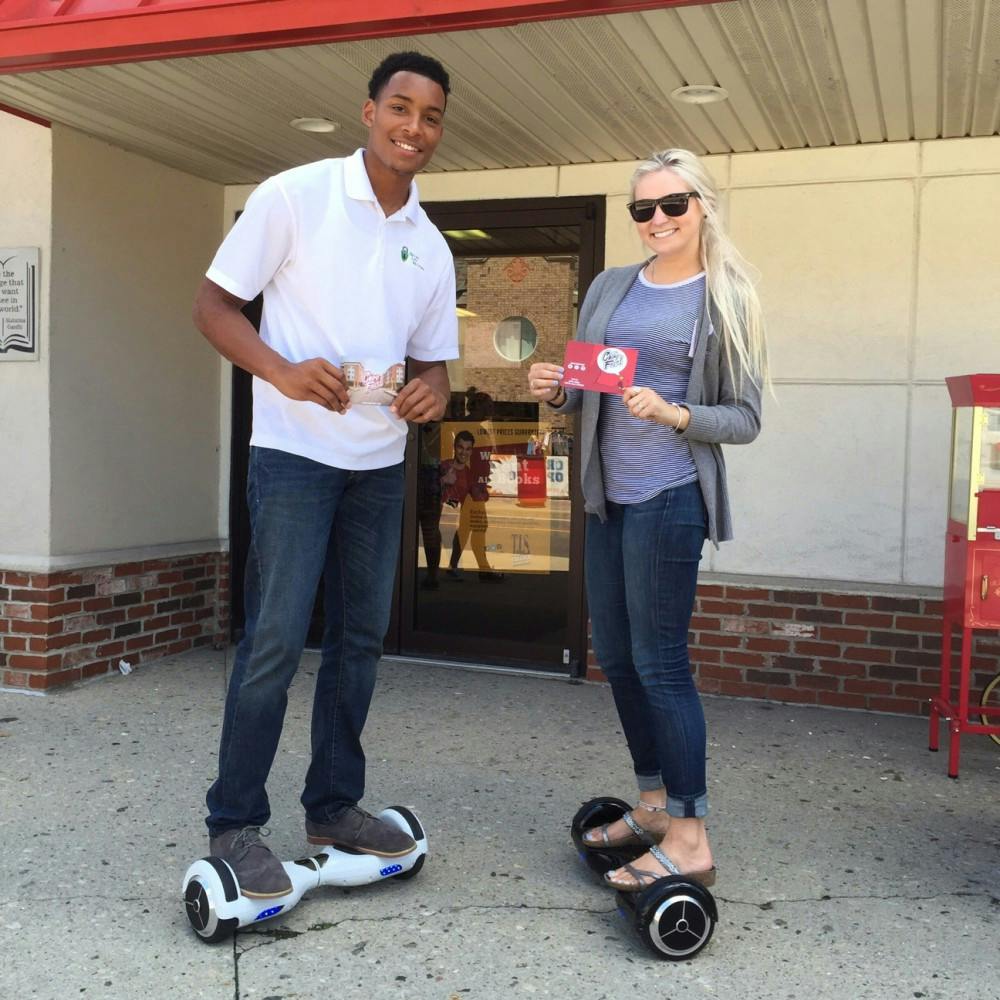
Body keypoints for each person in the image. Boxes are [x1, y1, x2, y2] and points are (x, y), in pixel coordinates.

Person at [191, 51, 456, 898]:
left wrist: (430, 394)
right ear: (369, 111)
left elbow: (437, 370)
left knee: (360, 644)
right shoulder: (293, 196)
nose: (415, 127)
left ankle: (333, 805)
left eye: (431, 116)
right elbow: (213, 308)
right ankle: (235, 823)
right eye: (401, 108)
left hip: (378, 468)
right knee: (273, 642)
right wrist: (280, 370)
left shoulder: (431, 243)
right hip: (295, 461)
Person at [528, 149, 766, 892]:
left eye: (672, 205)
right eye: (643, 209)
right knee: (621, 660)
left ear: (703, 205)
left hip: (669, 496)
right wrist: (555, 389)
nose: (657, 219)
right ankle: (656, 806)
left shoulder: (725, 296)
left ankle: (691, 836)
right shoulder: (610, 286)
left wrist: (677, 412)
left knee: (662, 664)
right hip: (609, 497)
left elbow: (747, 417)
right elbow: (584, 382)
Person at [440, 429, 503, 582]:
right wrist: (443, 481)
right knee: (469, 528)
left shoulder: (468, 473)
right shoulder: (444, 465)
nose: (464, 452)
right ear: (454, 447)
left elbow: (474, 493)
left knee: (475, 525)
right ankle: (475, 569)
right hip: (436, 515)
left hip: (451, 512)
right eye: (460, 447)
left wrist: (481, 493)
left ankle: (458, 567)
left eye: (468, 449)